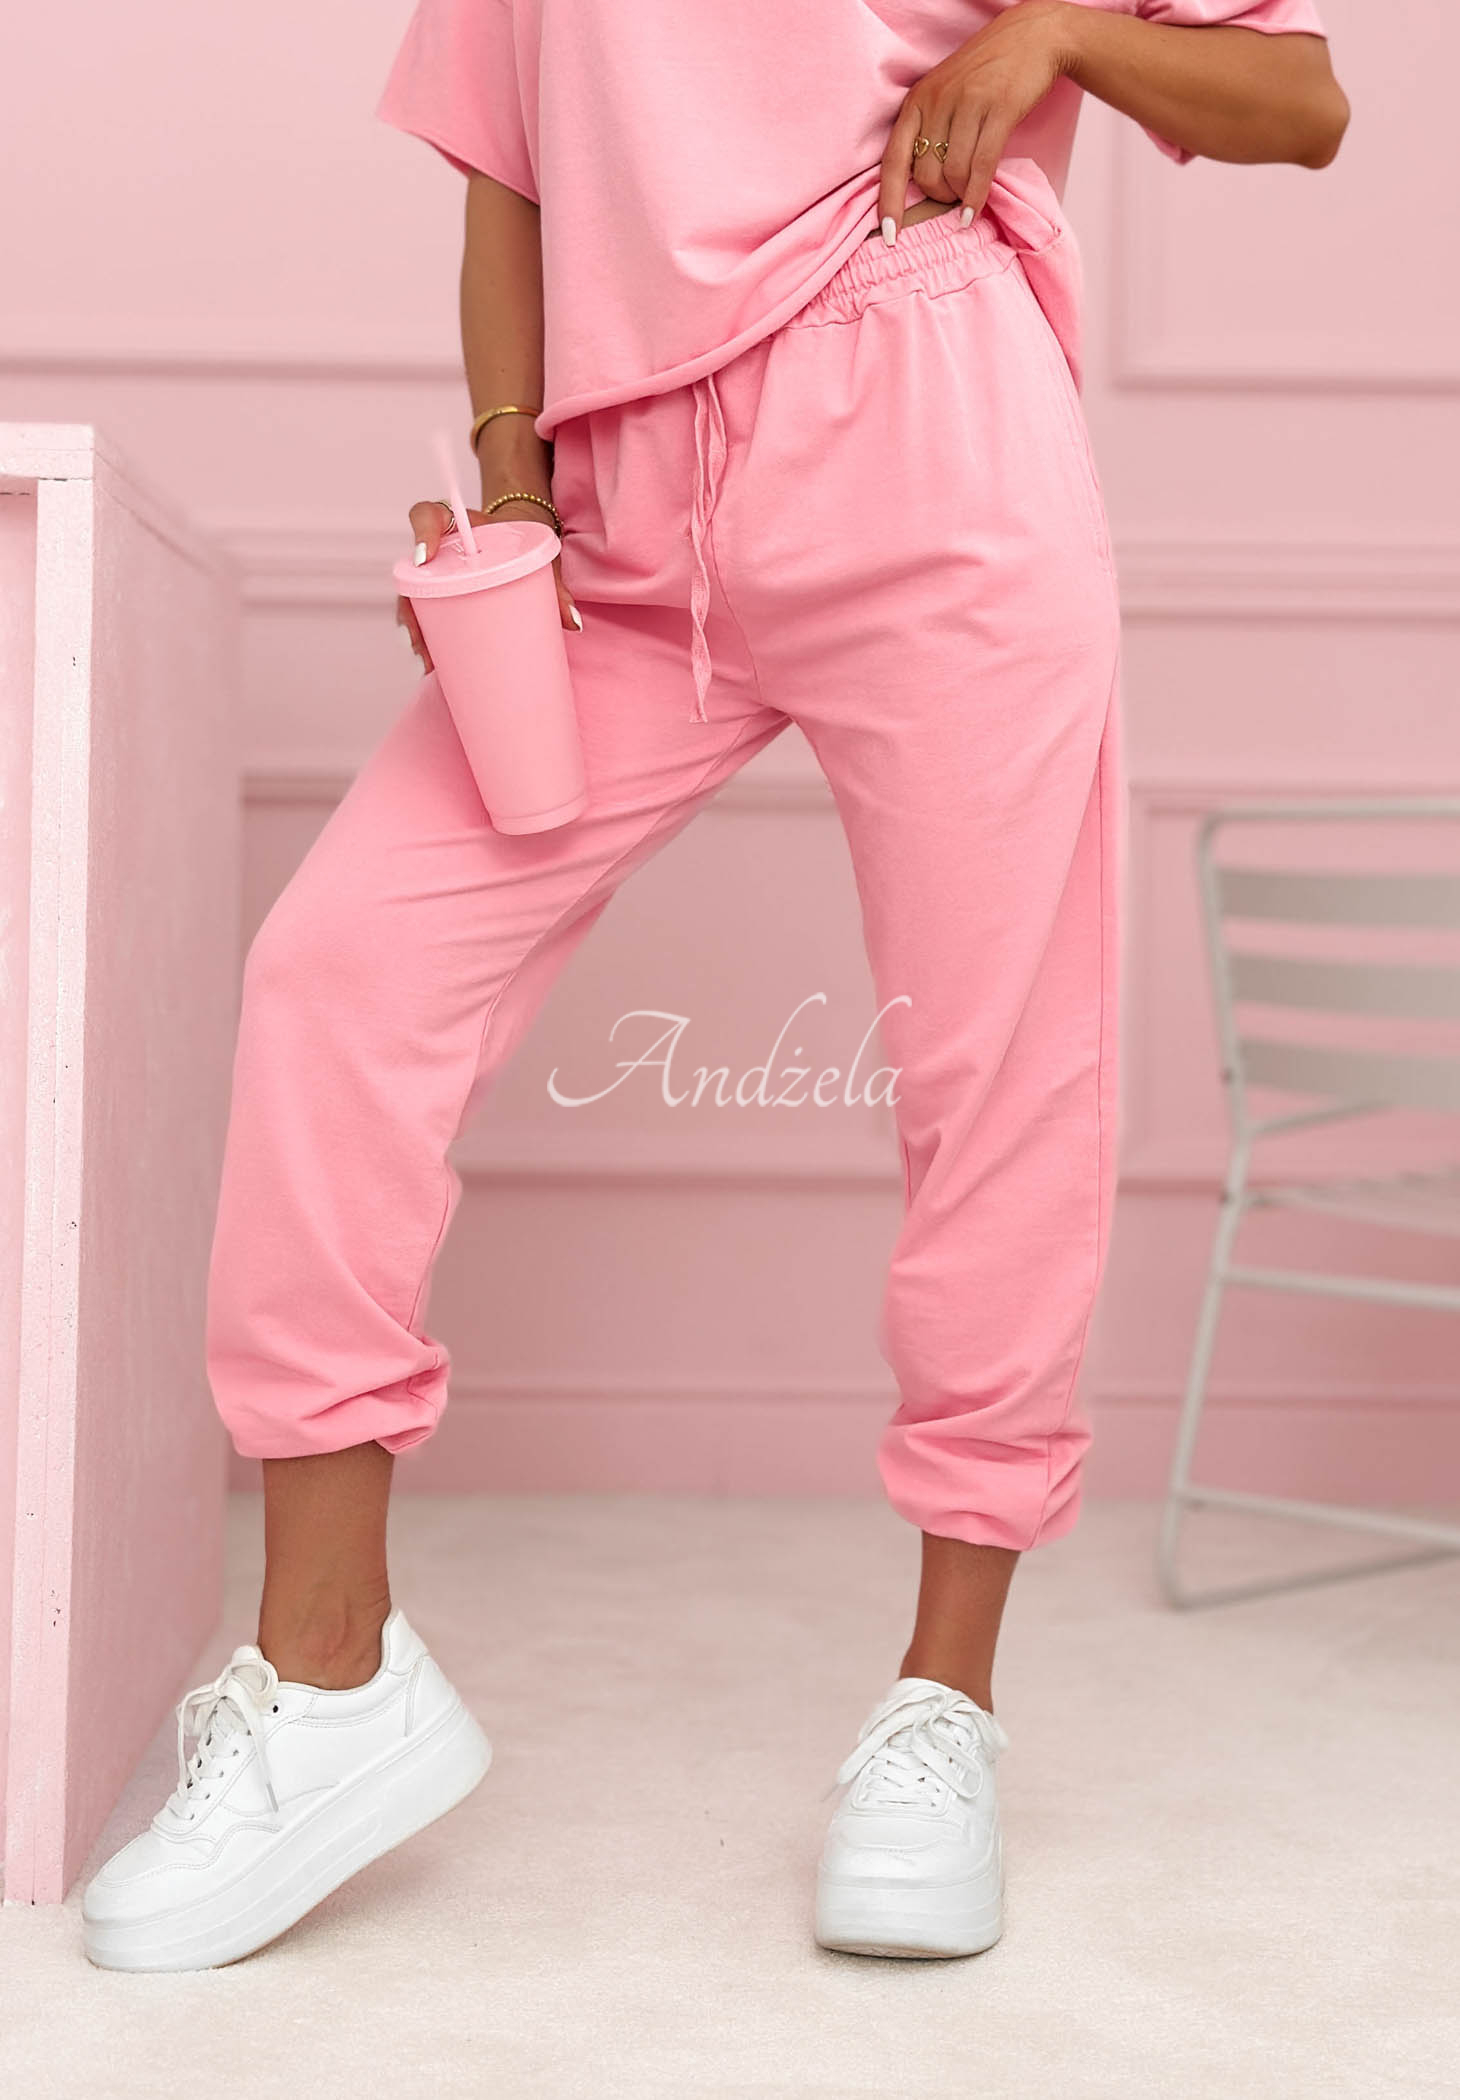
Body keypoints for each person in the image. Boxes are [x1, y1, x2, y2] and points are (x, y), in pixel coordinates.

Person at [82, 0, 1346, 1972]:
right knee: (341, 973)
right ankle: (329, 1679)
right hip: (616, 516)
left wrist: (1062, 38)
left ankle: (943, 1703)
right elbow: (510, 173)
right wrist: (514, 489)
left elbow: (1299, 100)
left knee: (999, 1069)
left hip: (933, 435)